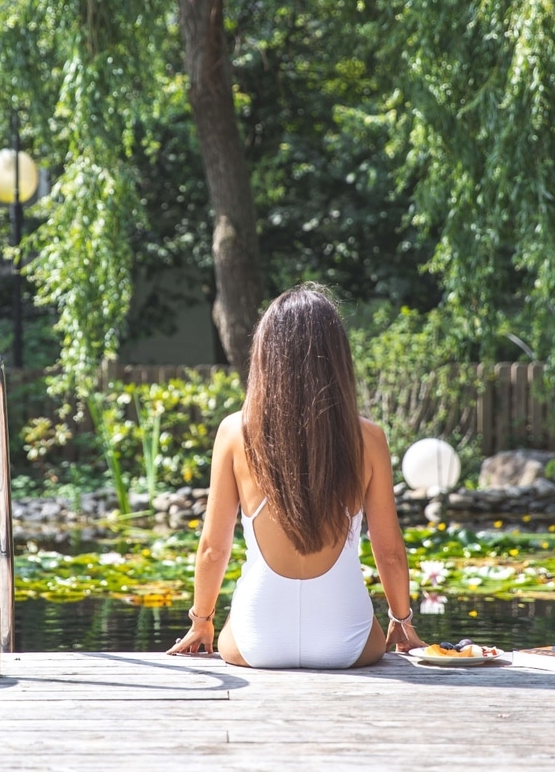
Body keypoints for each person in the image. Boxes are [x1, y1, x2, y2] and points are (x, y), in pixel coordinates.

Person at [166, 284, 427, 668]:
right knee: (370, 632)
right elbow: (388, 551)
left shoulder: (234, 432)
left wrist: (201, 621)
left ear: (266, 355)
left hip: (258, 641)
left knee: (227, 634)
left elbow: (212, 548)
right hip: (347, 644)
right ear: (336, 358)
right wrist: (401, 621)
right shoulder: (369, 439)